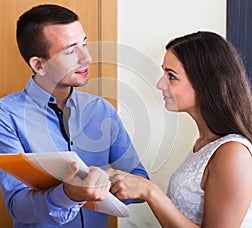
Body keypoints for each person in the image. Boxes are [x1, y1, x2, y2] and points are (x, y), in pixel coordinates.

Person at [0, 4, 148, 228]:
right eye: (71, 50)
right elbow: (18, 205)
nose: (87, 57)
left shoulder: (102, 110)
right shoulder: (2, 116)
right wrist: (68, 195)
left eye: (85, 44)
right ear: (39, 65)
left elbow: (139, 180)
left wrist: (105, 185)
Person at [107, 31, 252, 227]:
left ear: (205, 83)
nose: (160, 84)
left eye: (171, 76)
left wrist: (150, 192)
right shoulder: (202, 144)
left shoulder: (233, 153)